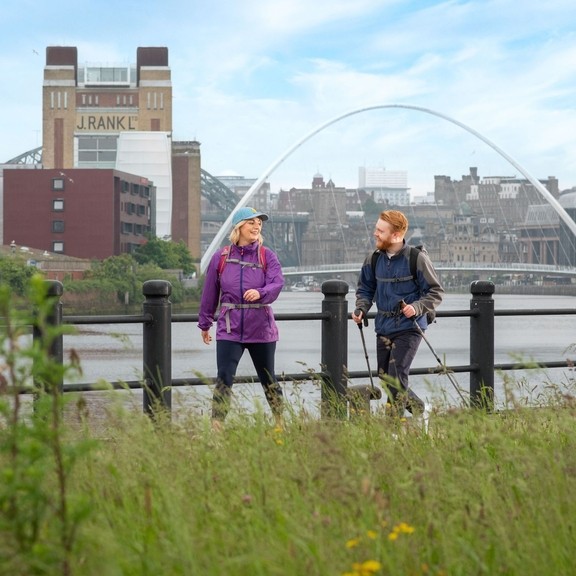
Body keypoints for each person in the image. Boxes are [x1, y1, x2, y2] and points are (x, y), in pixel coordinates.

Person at [198, 206, 285, 429]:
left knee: (268, 378)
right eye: (251, 222)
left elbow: (277, 284)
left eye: (259, 223)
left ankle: (279, 424)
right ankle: (217, 429)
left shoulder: (267, 256)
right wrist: (205, 323)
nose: (257, 226)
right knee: (224, 377)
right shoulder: (221, 258)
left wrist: (261, 293)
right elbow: (210, 292)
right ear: (239, 227)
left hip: (261, 328)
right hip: (230, 327)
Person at [352, 210, 444, 418]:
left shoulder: (417, 259)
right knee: (385, 377)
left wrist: (418, 307)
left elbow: (435, 291)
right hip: (384, 326)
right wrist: (361, 309)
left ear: (396, 235)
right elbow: (365, 290)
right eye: (376, 229)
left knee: (395, 377)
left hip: (410, 326)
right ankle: (420, 409)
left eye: (380, 231)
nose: (375, 234)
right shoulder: (373, 260)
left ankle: (393, 429)